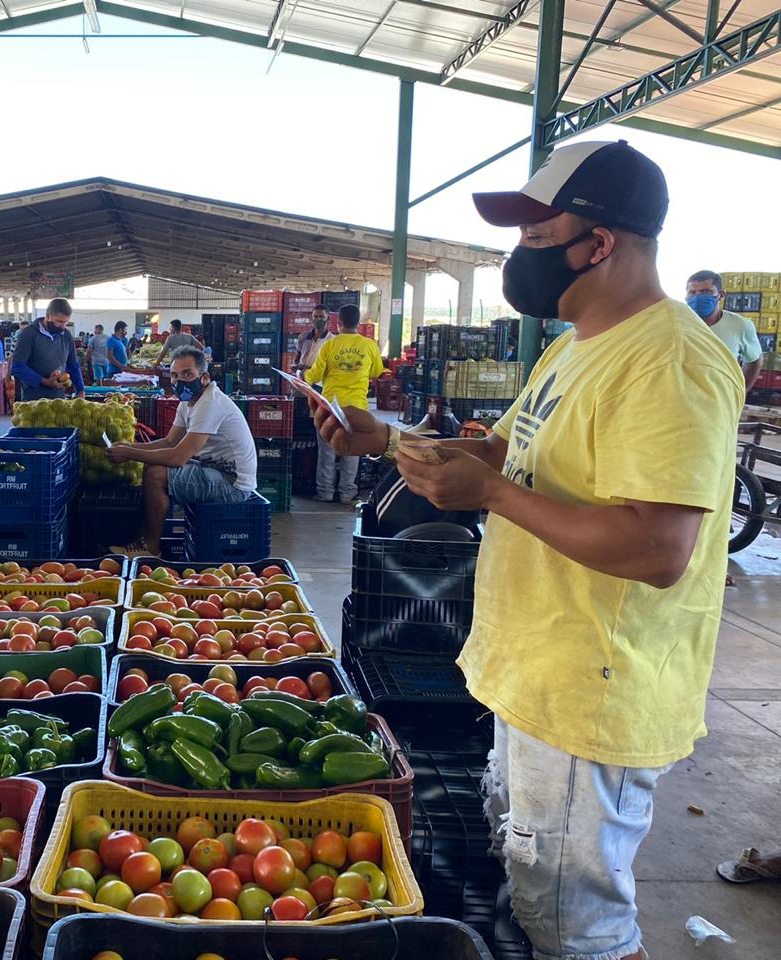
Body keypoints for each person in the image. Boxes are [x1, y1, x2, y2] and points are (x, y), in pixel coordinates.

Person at [311, 141, 742, 960]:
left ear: (601, 243)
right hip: (534, 670)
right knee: (538, 900)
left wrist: (497, 499)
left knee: (580, 929)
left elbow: (658, 547)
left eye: (536, 239)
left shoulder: (671, 363)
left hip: (591, 689)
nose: (520, 258)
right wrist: (385, 439)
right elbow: (506, 457)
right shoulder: (573, 343)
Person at [107, 346, 256, 555]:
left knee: (156, 475)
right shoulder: (188, 402)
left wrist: (130, 454)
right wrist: (130, 446)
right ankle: (144, 538)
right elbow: (169, 442)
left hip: (233, 484)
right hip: (215, 470)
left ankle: (150, 547)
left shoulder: (209, 403)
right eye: (175, 375)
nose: (179, 381)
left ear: (204, 377)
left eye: (187, 374)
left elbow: (178, 457)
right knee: (153, 464)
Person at [304, 303, 382, 503]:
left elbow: (314, 376)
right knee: (352, 450)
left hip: (330, 407)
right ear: (358, 323)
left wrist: (302, 374)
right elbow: (376, 372)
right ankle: (348, 493)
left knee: (327, 450)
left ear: (338, 323)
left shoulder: (330, 345)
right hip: (357, 408)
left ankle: (325, 493)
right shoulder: (369, 345)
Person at [686, 270, 763, 390]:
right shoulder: (677, 324)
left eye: (705, 292)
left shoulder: (739, 325)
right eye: (692, 292)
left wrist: (740, 393)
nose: (697, 297)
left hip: (719, 404)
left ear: (721, 295)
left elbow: (754, 360)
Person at [10, 298, 85, 400]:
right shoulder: (29, 334)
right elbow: (17, 367)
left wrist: (80, 390)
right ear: (47, 316)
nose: (63, 326)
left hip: (59, 399)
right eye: (59, 321)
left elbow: (73, 365)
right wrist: (44, 381)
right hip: (33, 400)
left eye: (66, 322)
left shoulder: (66, 335)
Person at [293, 305, 333, 376]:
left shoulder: (332, 340)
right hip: (301, 379)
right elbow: (297, 357)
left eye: (321, 317)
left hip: (319, 383)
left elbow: (330, 368)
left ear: (328, 318)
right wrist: (295, 366)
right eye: (315, 316)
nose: (318, 319)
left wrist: (308, 369)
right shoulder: (303, 336)